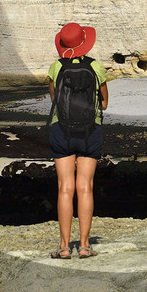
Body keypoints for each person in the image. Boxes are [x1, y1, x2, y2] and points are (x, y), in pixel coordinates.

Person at [47, 21, 108, 259]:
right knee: (85, 188)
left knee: (65, 188)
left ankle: (63, 247)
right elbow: (103, 103)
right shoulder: (96, 67)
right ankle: (84, 246)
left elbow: (54, 98)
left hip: (61, 131)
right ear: (85, 42)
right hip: (89, 131)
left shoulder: (55, 67)